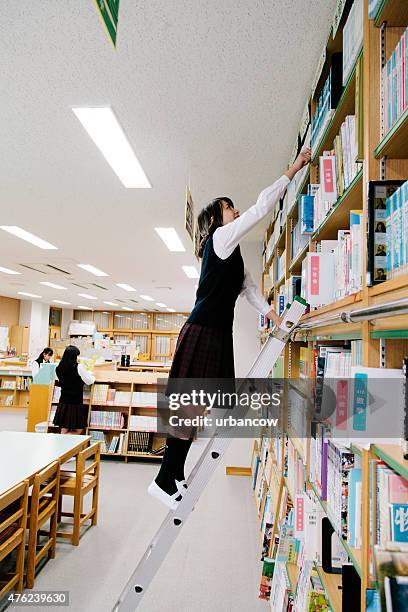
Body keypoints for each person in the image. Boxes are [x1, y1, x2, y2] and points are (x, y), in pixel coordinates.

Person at [148, 148, 311, 509]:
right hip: (203, 330)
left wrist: (271, 313)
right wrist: (292, 170)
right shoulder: (219, 241)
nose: (235, 211)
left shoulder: (232, 255)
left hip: (217, 334)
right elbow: (260, 209)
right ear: (216, 219)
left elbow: (251, 290)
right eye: (228, 207)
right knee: (189, 406)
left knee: (199, 408)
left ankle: (174, 474)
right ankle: (164, 476)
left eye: (233, 207)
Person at [53, 345, 95, 434]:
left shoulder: (58, 368)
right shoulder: (78, 367)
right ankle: (69, 444)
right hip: (76, 402)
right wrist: (91, 375)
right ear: (74, 356)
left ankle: (62, 444)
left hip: (63, 401)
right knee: (79, 428)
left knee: (64, 428)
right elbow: (89, 381)